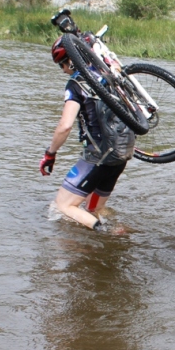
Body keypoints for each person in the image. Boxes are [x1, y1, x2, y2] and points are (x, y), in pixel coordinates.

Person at [39, 37, 135, 232]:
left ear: (71, 60)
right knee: (93, 208)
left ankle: (106, 233)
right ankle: (118, 233)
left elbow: (65, 126)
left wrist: (50, 153)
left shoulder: (76, 84)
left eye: (62, 65)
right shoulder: (106, 72)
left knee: (62, 206)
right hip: (121, 154)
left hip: (98, 156)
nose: (63, 70)